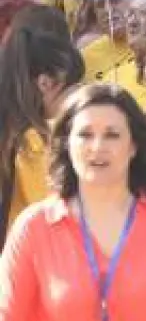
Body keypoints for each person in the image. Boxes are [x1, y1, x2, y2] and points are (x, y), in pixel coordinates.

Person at [0, 83, 146, 321]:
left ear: (133, 146)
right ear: (67, 144)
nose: (98, 147)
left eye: (112, 135)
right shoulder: (34, 228)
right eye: (85, 135)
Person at [0, 27, 84, 243]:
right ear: (45, 83)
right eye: (76, 85)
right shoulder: (34, 144)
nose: (84, 94)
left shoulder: (19, 135)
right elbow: (55, 214)